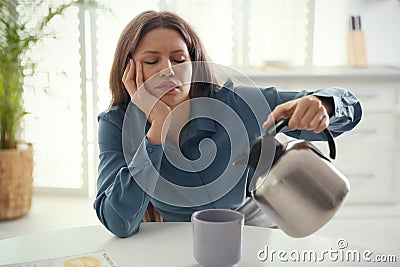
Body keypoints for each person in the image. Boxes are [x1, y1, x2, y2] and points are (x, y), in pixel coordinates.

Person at [94, 10, 362, 238]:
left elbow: (350, 110)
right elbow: (118, 222)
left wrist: (323, 105)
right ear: (128, 70)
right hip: (176, 240)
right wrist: (157, 130)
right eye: (152, 61)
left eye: (179, 59)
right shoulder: (116, 124)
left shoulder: (238, 103)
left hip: (254, 231)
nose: (168, 69)